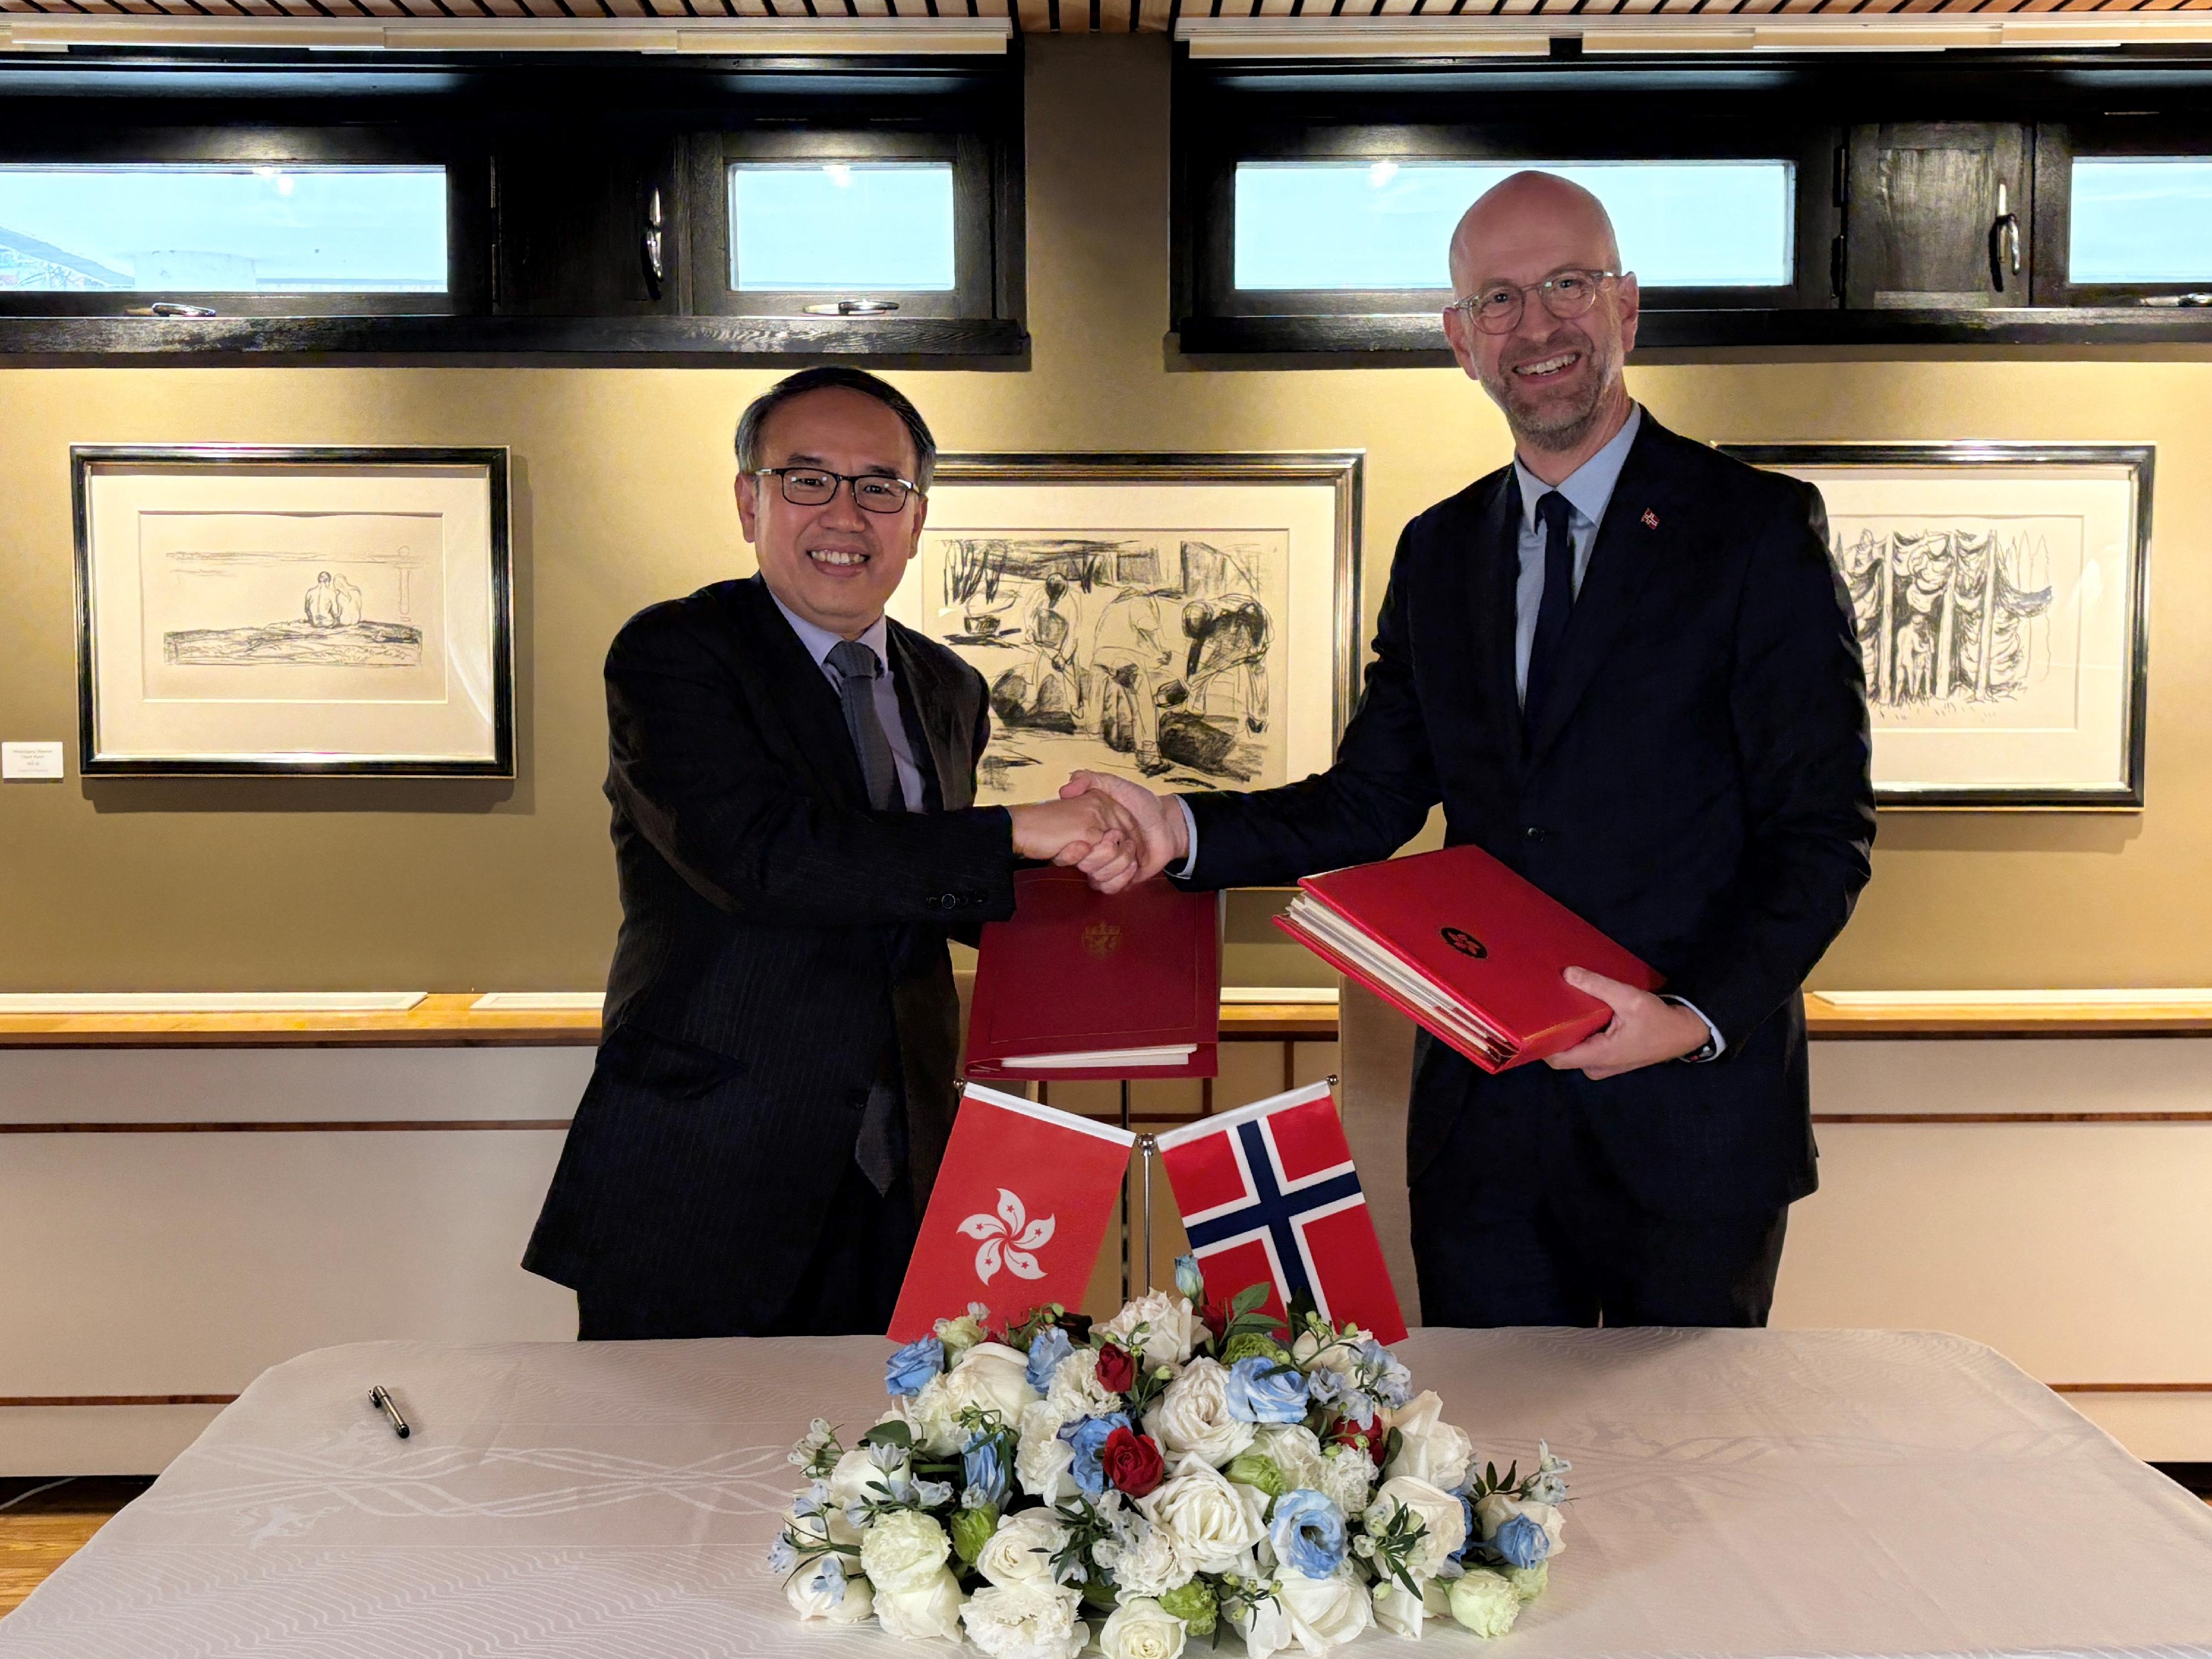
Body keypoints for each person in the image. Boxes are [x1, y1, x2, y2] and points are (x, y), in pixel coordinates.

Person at [1067, 173, 1875, 1329]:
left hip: (1688, 1125)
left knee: (1680, 1489)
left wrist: (1692, 1016)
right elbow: (1367, 800)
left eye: (1565, 285)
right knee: (1485, 1485)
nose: (1535, 326)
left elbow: (1820, 835)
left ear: (1624, 307)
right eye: (1497, 299)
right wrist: (1179, 828)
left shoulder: (1753, 529)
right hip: (1485, 1135)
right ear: (1459, 341)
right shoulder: (1439, 551)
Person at [523, 367, 1144, 1340]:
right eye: (807, 480)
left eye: (878, 486)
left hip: (903, 1165)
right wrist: (1015, 833)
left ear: (917, 515)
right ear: (749, 502)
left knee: (892, 1470)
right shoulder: (674, 654)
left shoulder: (949, 687)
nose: (844, 513)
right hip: (707, 1167)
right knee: (673, 1479)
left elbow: (920, 882)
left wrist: (1123, 870)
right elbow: (764, 859)